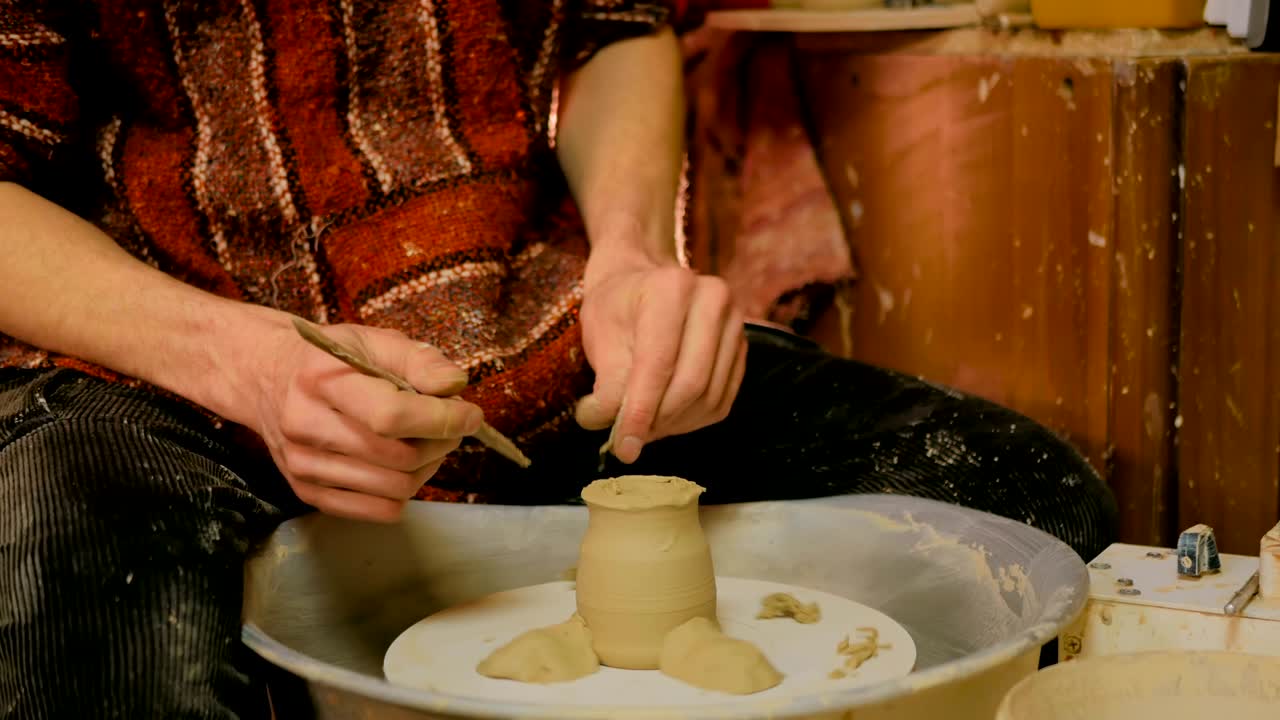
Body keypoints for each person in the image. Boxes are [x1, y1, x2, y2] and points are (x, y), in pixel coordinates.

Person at [0, 1, 1116, 716]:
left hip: (532, 328)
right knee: (103, 648)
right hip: (160, 357)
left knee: (1020, 502)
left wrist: (632, 257)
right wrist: (239, 361)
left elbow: (613, 25)